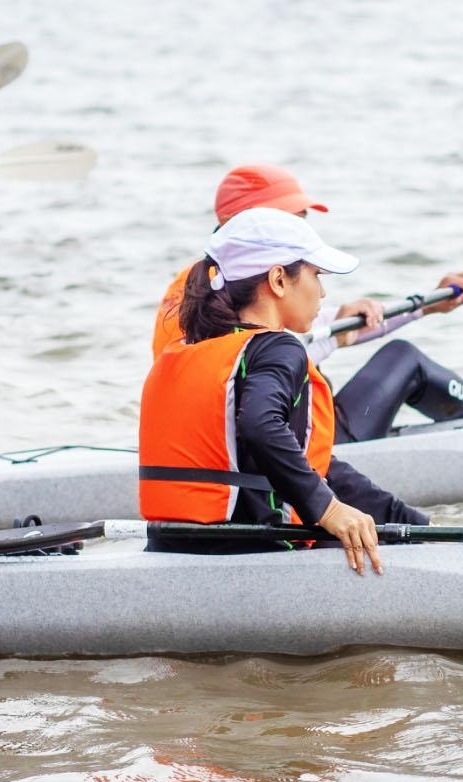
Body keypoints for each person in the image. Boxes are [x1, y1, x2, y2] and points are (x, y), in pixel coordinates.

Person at [151, 164, 463, 443]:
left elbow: (295, 343)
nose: (305, 229)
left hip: (234, 441)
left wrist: (423, 307)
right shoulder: (237, 309)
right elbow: (263, 360)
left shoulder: (202, 286)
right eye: (298, 220)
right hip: (287, 444)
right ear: (261, 225)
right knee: (403, 360)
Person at [140, 207, 421, 574]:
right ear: (277, 280)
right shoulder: (277, 347)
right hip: (250, 553)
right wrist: (329, 509)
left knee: (396, 519)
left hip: (171, 545)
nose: (322, 290)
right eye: (316, 275)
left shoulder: (193, 349)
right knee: (406, 533)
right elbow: (260, 424)